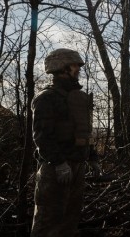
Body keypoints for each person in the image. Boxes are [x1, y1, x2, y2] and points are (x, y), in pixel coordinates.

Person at [31, 48, 102, 237]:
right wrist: (59, 164)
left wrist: (92, 157)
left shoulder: (78, 98)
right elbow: (42, 137)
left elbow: (84, 130)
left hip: (76, 166)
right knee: (48, 224)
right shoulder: (47, 98)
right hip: (56, 170)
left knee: (69, 223)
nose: (78, 69)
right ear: (62, 68)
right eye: (74, 65)